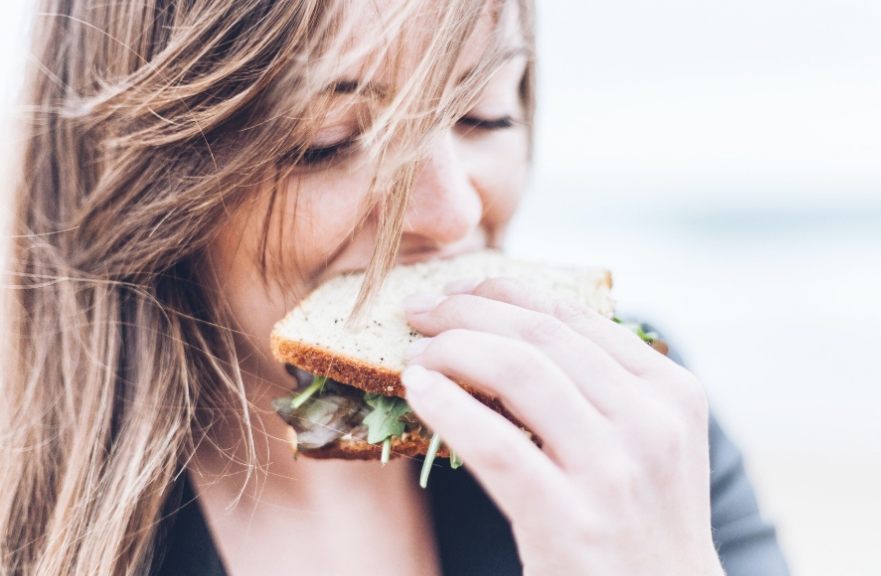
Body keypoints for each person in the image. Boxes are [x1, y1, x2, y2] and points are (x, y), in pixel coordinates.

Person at [0, 1, 790, 575]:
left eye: (484, 116)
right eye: (327, 143)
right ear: (145, 181)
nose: (453, 216)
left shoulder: (631, 425)